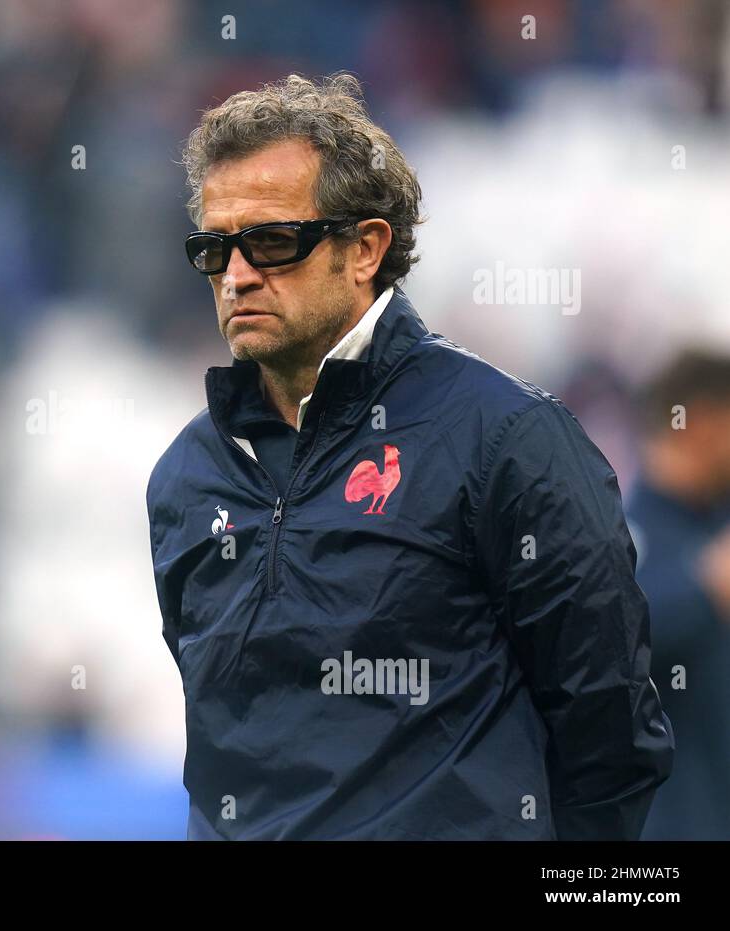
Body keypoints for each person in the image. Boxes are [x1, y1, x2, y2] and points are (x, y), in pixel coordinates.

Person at [145, 72, 673, 840]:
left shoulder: (505, 439)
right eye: (215, 249)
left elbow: (612, 734)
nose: (236, 275)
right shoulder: (187, 476)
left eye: (270, 241)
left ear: (365, 248)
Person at [627, 350, 730, 840]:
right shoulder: (623, 533)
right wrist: (704, 588)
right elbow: (607, 635)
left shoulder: (716, 520)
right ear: (704, 422)